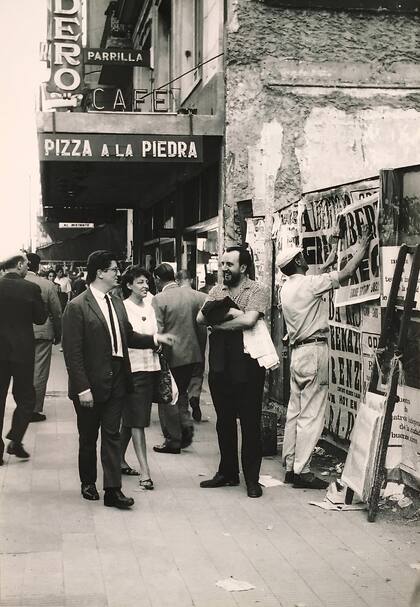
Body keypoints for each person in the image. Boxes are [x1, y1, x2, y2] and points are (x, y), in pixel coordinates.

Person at [62, 250, 175, 509]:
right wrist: (82, 388)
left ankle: (113, 490)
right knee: (89, 436)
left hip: (118, 378)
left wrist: (155, 339)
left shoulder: (116, 303)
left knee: (112, 434)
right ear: (100, 272)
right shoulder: (77, 306)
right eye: (114, 269)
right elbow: (73, 353)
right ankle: (88, 482)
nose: (117, 273)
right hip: (90, 381)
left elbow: (128, 336)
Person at [278, 227, 371, 489]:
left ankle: (290, 464)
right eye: (303, 257)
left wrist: (332, 249)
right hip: (314, 351)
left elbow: (319, 275)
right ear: (297, 262)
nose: (307, 259)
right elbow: (345, 274)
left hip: (297, 354)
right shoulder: (310, 284)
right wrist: (362, 248)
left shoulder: (287, 289)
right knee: (312, 413)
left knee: (294, 412)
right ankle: (302, 470)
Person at [197, 247, 268, 498]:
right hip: (219, 365)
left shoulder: (257, 290)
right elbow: (200, 318)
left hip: (249, 364)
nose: (224, 268)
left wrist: (219, 320)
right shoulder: (217, 290)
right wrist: (231, 315)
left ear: (244, 268)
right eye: (223, 264)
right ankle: (227, 472)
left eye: (229, 264)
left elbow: (249, 321)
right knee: (224, 421)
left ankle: (252, 479)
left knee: (250, 424)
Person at [0, 250, 47, 462]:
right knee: (27, 398)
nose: (28, 267)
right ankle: (16, 439)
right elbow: (40, 319)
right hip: (22, 352)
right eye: (27, 264)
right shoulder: (31, 288)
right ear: (19, 264)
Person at [152, 263, 204, 453]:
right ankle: (185, 425)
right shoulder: (195, 295)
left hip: (172, 355)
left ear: (157, 279)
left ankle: (174, 439)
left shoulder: (159, 299)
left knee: (168, 396)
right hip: (193, 354)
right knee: (180, 392)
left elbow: (158, 330)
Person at [119, 266, 161, 490]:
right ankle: (145, 472)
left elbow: (157, 333)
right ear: (128, 285)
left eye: (147, 282)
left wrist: (160, 342)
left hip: (151, 368)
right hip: (133, 369)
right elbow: (129, 339)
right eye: (140, 283)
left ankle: (117, 459)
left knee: (133, 417)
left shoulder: (151, 306)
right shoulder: (122, 308)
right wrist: (155, 340)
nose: (145, 286)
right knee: (138, 421)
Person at [25, 253, 62, 422]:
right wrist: (58, 333)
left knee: (23, 370)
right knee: (39, 370)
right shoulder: (47, 285)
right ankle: (34, 409)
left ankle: (23, 406)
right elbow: (57, 312)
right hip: (42, 331)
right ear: (38, 267)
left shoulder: (13, 283)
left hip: (19, 332)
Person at [176, 269, 207, 422]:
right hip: (199, 343)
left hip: (180, 345)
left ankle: (182, 407)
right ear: (191, 280)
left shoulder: (173, 298)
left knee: (180, 378)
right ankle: (194, 396)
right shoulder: (202, 297)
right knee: (197, 373)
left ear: (177, 281)